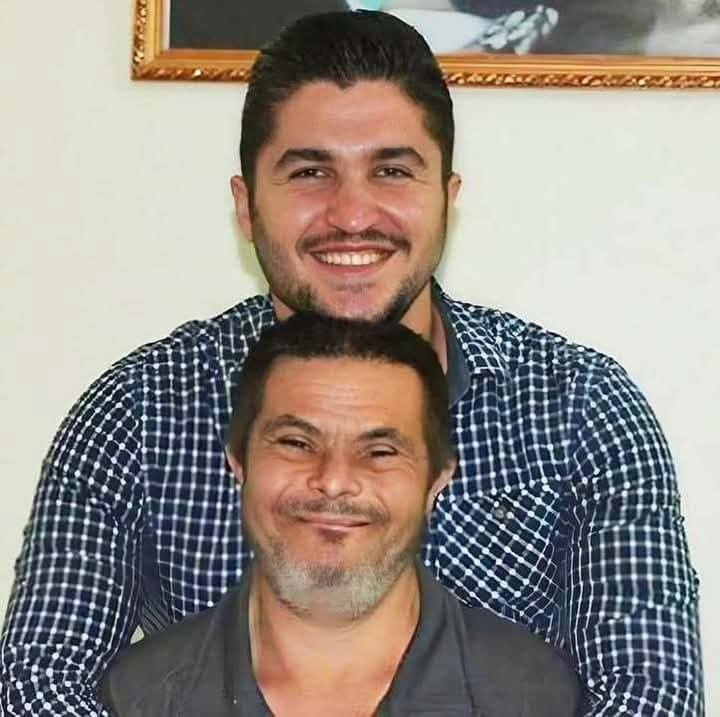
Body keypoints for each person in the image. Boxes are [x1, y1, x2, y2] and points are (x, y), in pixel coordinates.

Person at [0, 10, 702, 716]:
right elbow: (39, 684)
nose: (353, 214)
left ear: (447, 199)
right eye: (310, 172)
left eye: (392, 171)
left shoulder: (580, 409)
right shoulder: (140, 412)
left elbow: (648, 698)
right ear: (246, 206)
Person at [99, 314, 583, 716]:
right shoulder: (131, 700)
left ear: (436, 481)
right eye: (296, 443)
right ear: (239, 464)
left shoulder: (541, 699)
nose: (333, 481)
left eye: (380, 451)